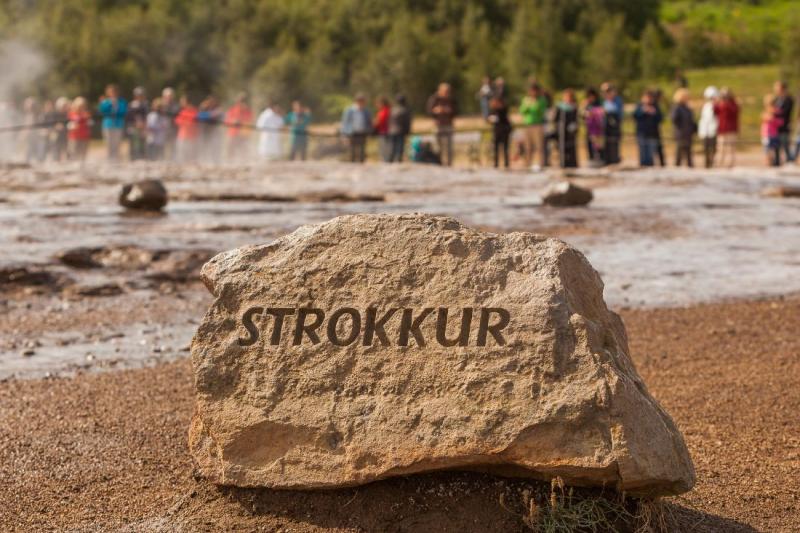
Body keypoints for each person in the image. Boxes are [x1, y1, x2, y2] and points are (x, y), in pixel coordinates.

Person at [426, 83, 457, 166]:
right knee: (438, 147)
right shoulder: (434, 99)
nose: (446, 93)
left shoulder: (451, 99)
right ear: (440, 91)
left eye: (448, 91)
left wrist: (449, 111)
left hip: (448, 125)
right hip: (438, 125)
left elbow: (456, 111)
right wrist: (436, 111)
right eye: (445, 91)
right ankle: (438, 163)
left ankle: (449, 164)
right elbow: (429, 111)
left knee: (449, 147)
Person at [519, 83, 548, 170]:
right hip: (527, 125)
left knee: (539, 146)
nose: (533, 93)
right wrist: (529, 105)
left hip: (538, 125)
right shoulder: (526, 99)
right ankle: (528, 164)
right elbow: (522, 110)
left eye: (535, 91)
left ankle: (541, 164)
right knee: (528, 146)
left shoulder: (542, 100)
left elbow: (540, 111)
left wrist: (534, 105)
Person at [98, 84, 128, 162]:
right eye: (111, 92)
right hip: (108, 124)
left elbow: (123, 111)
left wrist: (116, 105)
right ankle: (109, 158)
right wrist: (109, 104)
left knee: (117, 142)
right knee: (108, 142)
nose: (113, 93)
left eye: (114, 92)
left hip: (118, 124)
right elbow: (102, 111)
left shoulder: (122, 101)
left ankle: (116, 158)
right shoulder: (105, 101)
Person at [633, 90, 663, 167]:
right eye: (646, 97)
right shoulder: (639, 106)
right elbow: (634, 116)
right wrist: (642, 111)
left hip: (652, 134)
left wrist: (654, 112)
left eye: (650, 98)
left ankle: (650, 167)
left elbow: (660, 119)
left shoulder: (656, 107)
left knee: (650, 154)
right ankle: (642, 166)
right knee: (642, 153)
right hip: (641, 133)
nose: (648, 99)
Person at [340, 94, 372, 163]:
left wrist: (369, 131)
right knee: (352, 149)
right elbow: (345, 122)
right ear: (357, 101)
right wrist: (344, 134)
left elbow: (369, 122)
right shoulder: (349, 110)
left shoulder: (366, 111)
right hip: (352, 132)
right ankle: (352, 162)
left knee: (362, 149)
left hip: (362, 132)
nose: (362, 103)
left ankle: (361, 162)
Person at [714, 87, 739, 168]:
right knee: (721, 148)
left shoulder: (733, 104)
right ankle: (719, 164)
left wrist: (726, 103)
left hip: (731, 130)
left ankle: (730, 165)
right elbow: (715, 110)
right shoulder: (721, 104)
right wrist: (717, 102)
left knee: (731, 149)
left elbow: (733, 111)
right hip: (722, 130)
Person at [224, 92, 253, 162]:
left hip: (243, 134)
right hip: (233, 133)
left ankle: (243, 162)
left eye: (244, 101)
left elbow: (249, 120)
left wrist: (242, 121)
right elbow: (227, 120)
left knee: (243, 149)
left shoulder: (248, 111)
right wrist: (233, 121)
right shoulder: (233, 109)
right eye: (241, 101)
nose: (242, 103)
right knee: (231, 149)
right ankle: (230, 162)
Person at [553, 89, 579, 168]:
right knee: (562, 148)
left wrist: (574, 126)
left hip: (571, 132)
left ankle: (572, 164)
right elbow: (555, 119)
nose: (567, 98)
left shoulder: (574, 107)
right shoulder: (560, 107)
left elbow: (576, 119)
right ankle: (563, 164)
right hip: (562, 131)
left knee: (571, 148)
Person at [671, 88, 696, 167]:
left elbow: (691, 120)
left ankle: (690, 166)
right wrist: (681, 127)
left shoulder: (687, 108)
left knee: (688, 152)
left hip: (688, 133)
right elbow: (674, 119)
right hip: (681, 133)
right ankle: (677, 167)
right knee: (680, 151)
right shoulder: (677, 107)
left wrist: (694, 128)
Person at [197, 96, 223, 164]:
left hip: (215, 132)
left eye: (213, 102)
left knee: (215, 147)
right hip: (205, 131)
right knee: (204, 146)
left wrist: (210, 114)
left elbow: (219, 115)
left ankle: (216, 161)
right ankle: (204, 160)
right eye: (210, 102)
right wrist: (203, 109)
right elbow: (200, 116)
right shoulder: (204, 109)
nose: (211, 103)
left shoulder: (218, 109)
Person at [601, 83, 622, 165]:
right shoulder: (604, 101)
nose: (607, 93)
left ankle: (614, 160)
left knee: (614, 144)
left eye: (609, 91)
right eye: (605, 92)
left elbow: (616, 111)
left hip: (614, 126)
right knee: (606, 144)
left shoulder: (617, 100)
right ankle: (607, 160)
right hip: (605, 126)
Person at [698, 86, 719, 168]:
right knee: (706, 149)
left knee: (713, 149)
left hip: (713, 130)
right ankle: (707, 164)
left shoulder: (716, 106)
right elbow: (704, 120)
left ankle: (712, 163)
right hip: (706, 131)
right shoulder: (706, 106)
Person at [583, 87, 605, 166]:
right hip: (589, 128)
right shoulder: (587, 104)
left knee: (598, 145)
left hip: (598, 129)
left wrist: (594, 113)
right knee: (589, 144)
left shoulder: (599, 103)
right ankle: (591, 159)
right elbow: (582, 115)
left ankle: (600, 159)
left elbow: (602, 114)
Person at [488, 94, 511, 168]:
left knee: (505, 148)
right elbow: (489, 118)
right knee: (496, 148)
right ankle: (496, 163)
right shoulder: (493, 110)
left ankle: (506, 163)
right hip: (497, 130)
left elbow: (502, 114)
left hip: (504, 130)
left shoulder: (503, 109)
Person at [772, 81, 794, 163]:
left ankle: (789, 161)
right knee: (776, 145)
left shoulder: (788, 99)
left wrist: (775, 111)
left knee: (785, 145)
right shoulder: (776, 99)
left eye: (777, 87)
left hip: (784, 126)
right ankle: (777, 161)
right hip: (775, 126)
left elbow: (786, 112)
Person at [67, 97, 92, 164]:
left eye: (83, 106)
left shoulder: (86, 114)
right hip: (74, 137)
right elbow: (68, 124)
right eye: (79, 106)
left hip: (84, 136)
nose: (81, 108)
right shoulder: (71, 114)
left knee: (83, 153)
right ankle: (74, 165)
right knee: (74, 153)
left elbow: (89, 123)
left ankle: (82, 165)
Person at [174, 96, 199, 163]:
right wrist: (184, 122)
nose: (181, 103)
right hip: (182, 135)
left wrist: (186, 122)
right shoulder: (183, 111)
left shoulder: (193, 111)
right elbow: (177, 121)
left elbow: (194, 121)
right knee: (181, 153)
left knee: (190, 153)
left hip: (191, 137)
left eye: (182, 101)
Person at [127, 87, 148, 161]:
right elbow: (129, 116)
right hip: (133, 125)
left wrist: (143, 124)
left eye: (141, 95)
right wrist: (135, 123)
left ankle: (142, 156)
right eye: (138, 95)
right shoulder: (131, 104)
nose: (140, 96)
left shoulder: (145, 104)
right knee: (133, 141)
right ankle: (132, 157)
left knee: (142, 140)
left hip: (142, 125)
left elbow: (145, 116)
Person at [388, 94, 411, 162]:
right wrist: (408, 131)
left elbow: (389, 120)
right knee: (399, 147)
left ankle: (390, 160)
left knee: (392, 146)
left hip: (392, 130)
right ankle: (398, 160)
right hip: (401, 131)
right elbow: (407, 122)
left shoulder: (393, 109)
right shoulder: (405, 110)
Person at [762, 95, 783, 167]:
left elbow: (781, 122)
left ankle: (774, 161)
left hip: (774, 134)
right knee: (767, 149)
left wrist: (773, 119)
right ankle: (768, 161)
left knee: (775, 148)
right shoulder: (765, 112)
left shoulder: (777, 112)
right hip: (766, 134)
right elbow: (764, 120)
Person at [48, 97, 70, 162]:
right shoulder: (54, 114)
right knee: (56, 150)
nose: (65, 107)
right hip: (56, 135)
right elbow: (50, 124)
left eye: (65, 106)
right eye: (63, 106)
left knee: (66, 150)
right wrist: (56, 126)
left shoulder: (67, 114)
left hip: (65, 135)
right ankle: (56, 162)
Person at [161, 87, 180, 161]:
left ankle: (172, 159)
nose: (168, 98)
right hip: (162, 129)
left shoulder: (175, 105)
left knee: (173, 145)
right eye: (167, 96)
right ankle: (162, 159)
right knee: (162, 145)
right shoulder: (160, 104)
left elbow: (175, 113)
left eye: (170, 96)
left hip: (172, 128)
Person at [373, 96, 391, 162]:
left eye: (378, 103)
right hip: (384, 132)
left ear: (382, 103)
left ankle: (385, 162)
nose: (376, 105)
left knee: (384, 149)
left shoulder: (384, 111)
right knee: (384, 149)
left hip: (384, 132)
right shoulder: (386, 110)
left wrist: (374, 123)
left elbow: (379, 121)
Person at [652, 89, 667, 166]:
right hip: (652, 130)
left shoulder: (656, 105)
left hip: (656, 129)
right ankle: (661, 164)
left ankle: (662, 163)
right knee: (656, 148)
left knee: (658, 147)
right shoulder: (654, 105)